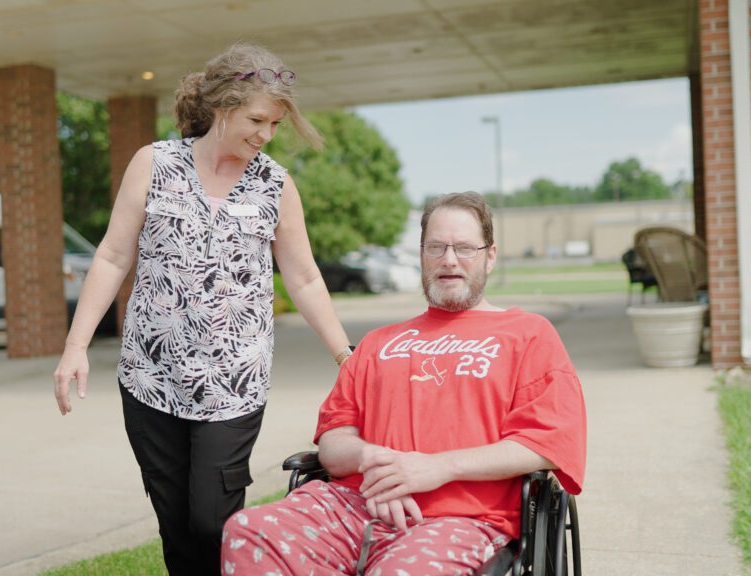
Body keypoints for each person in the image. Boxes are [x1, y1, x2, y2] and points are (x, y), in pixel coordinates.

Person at [52, 43, 353, 575]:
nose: (265, 134)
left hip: (234, 382)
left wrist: (342, 354)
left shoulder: (275, 185)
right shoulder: (155, 163)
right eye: (256, 119)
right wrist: (76, 346)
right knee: (175, 523)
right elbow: (113, 255)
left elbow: (304, 277)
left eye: (275, 124)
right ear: (222, 107)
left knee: (213, 520)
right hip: (152, 375)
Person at [221, 192, 587, 575]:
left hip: (460, 518)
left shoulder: (527, 335)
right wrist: (375, 464)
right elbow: (334, 438)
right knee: (250, 532)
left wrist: (435, 468)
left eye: (464, 248)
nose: (449, 259)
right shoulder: (378, 342)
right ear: (421, 254)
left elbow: (545, 444)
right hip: (352, 504)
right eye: (436, 247)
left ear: (490, 256)